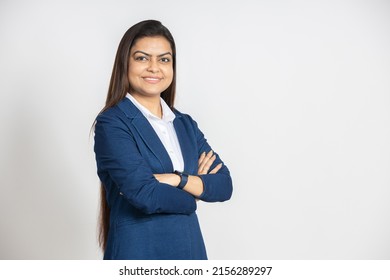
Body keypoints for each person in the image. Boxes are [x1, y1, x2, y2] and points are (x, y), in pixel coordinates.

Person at [93, 19, 233, 260]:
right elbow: (144, 195)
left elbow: (223, 185)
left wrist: (176, 180)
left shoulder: (184, 124)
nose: (154, 68)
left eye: (164, 59)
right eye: (142, 58)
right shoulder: (113, 122)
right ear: (124, 63)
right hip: (139, 254)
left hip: (190, 253)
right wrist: (194, 193)